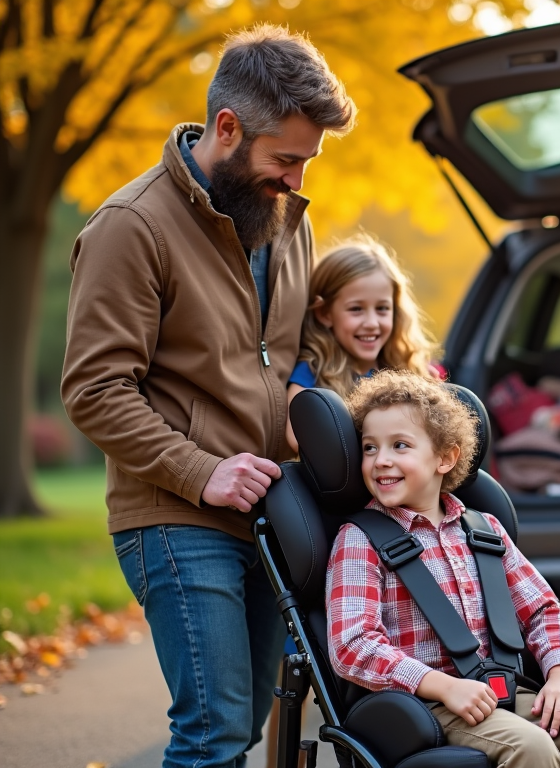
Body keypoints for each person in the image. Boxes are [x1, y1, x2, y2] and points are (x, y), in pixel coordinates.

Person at [61, 25, 355, 768]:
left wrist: (305, 394)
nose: (296, 179)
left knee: (251, 718)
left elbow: (291, 351)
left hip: (272, 507)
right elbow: (95, 389)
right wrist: (203, 471)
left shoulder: (289, 217)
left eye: (306, 162)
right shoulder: (129, 227)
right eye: (285, 159)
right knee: (214, 731)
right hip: (175, 510)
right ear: (227, 128)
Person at [325, 371, 560, 767]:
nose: (381, 460)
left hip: (505, 689)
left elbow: (545, 612)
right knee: (530, 746)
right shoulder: (360, 540)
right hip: (428, 705)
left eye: (400, 445)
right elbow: (353, 645)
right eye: (370, 448)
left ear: (446, 457)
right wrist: (443, 687)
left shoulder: (483, 530)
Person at [284, 233, 440, 452]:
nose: (372, 323)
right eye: (356, 309)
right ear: (325, 313)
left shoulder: (411, 372)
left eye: (382, 308)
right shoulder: (312, 373)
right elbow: (297, 438)